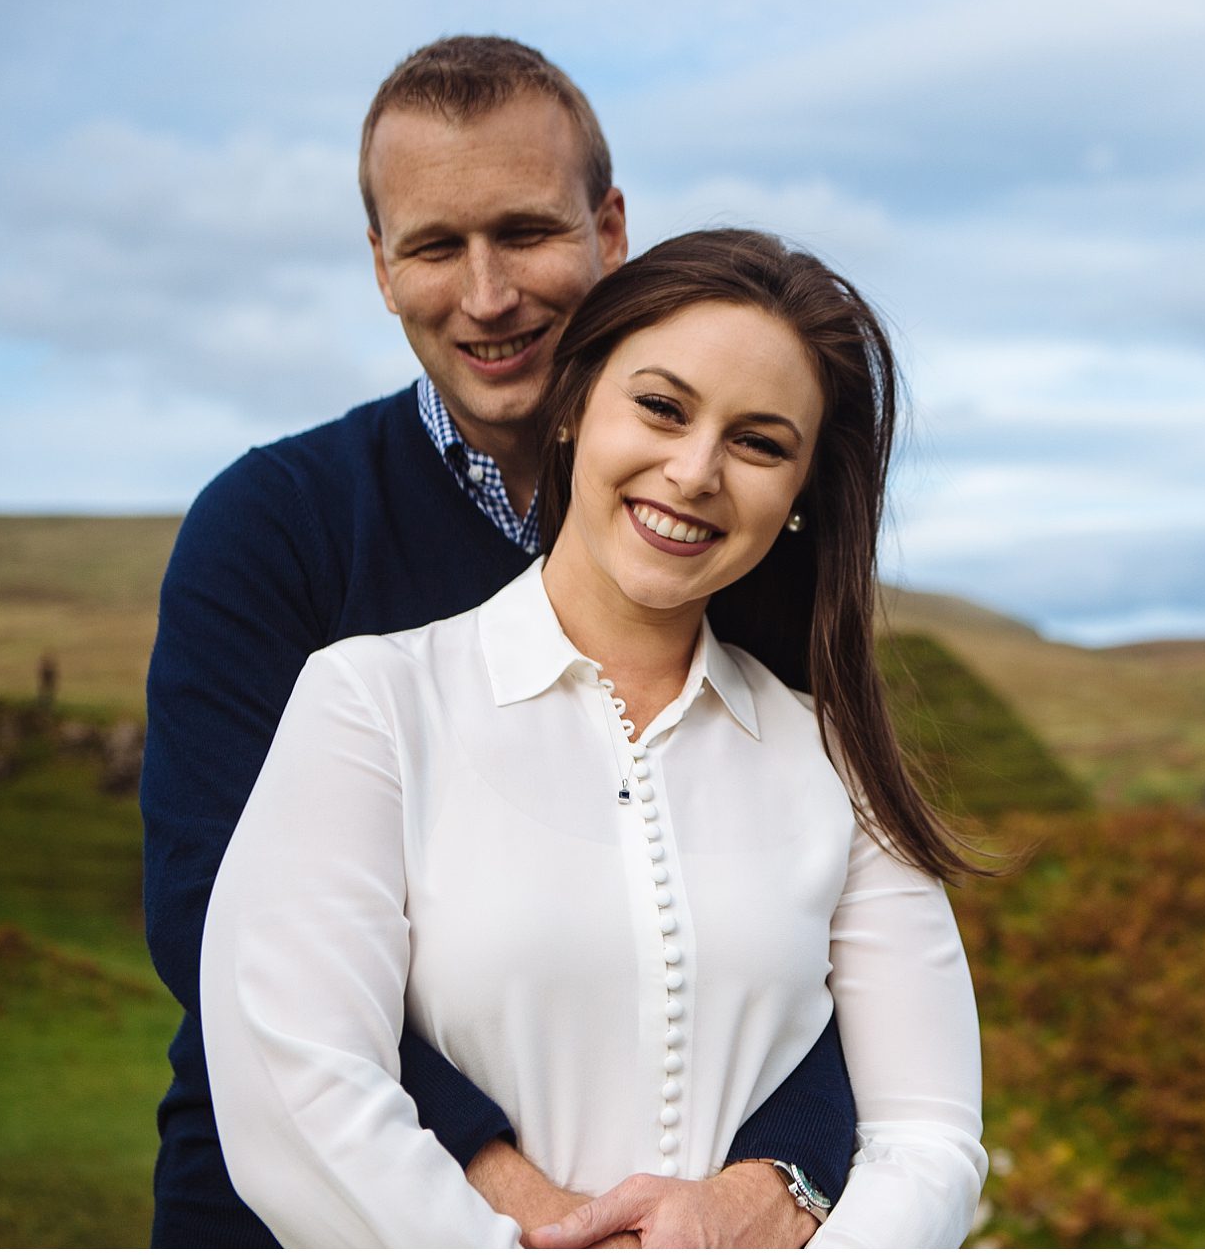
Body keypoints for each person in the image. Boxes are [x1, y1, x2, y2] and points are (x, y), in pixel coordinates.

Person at [142, 37, 857, 1248]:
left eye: (524, 232)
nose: (485, 295)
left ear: (609, 228)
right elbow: (217, 919)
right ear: (379, 265)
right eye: (433, 246)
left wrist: (771, 1182)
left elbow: (828, 934)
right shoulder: (272, 530)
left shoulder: (739, 548)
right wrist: (507, 1192)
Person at [199, 229, 989, 1247]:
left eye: (759, 443)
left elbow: (927, 1137)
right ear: (574, 406)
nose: (696, 470)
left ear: (799, 498)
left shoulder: (835, 763)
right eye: (661, 408)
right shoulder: (372, 704)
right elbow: (294, 1088)